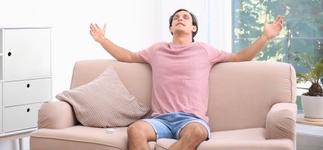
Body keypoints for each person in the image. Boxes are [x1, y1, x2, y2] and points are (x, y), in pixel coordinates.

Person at [89, 9, 284, 150]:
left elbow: (240, 57)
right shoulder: (157, 50)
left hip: (192, 120)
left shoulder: (205, 50)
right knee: (135, 130)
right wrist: (103, 40)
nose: (180, 19)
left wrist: (265, 37)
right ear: (171, 28)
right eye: (176, 18)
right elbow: (129, 57)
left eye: (185, 17)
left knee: (197, 132)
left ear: (193, 27)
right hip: (160, 120)